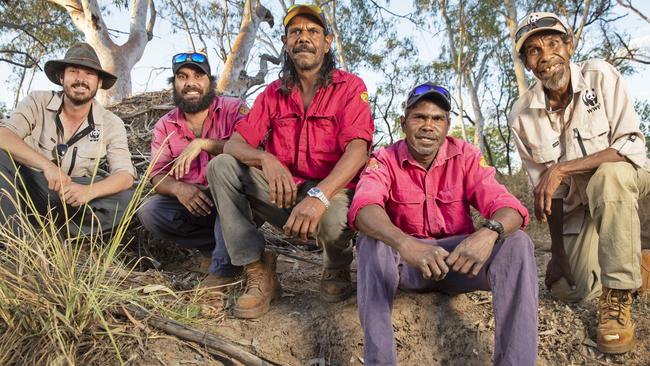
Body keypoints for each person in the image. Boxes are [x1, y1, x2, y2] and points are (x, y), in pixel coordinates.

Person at [350, 83, 538, 365]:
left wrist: (489, 233)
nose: (428, 126)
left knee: (518, 242)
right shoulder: (384, 159)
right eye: (419, 117)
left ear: (447, 125)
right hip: (407, 265)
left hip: (460, 264)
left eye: (437, 119)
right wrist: (405, 243)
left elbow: (509, 208)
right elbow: (364, 208)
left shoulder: (466, 156)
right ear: (404, 123)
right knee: (371, 242)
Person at [207, 4, 374, 318]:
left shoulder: (351, 88)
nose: (303, 38)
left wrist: (319, 196)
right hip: (284, 193)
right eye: (295, 32)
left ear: (326, 43)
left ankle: (336, 266)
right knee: (221, 167)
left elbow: (357, 151)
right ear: (285, 43)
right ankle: (258, 269)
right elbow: (234, 145)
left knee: (335, 213)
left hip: (330, 194)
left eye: (313, 31)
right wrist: (264, 157)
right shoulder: (272, 93)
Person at [509, 11, 650, 354]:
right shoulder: (521, 114)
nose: (545, 57)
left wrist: (562, 168)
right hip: (578, 203)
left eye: (553, 44)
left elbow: (629, 147)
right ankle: (640, 264)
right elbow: (549, 193)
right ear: (527, 64)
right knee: (568, 288)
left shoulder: (600, 75)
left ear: (569, 46)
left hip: (627, 178)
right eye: (533, 51)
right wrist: (557, 252)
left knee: (609, 177)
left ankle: (617, 297)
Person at [0, 43, 135, 236]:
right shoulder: (37, 101)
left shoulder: (111, 123)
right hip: (31, 186)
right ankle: (13, 238)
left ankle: (55, 235)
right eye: (73, 71)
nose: (81, 79)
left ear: (98, 82)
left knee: (126, 199)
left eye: (89, 73)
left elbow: (125, 175)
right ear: (61, 77)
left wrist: (89, 192)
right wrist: (47, 166)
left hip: (75, 196)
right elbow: (3, 135)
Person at [137, 51, 248, 284]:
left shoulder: (234, 109)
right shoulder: (165, 125)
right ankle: (218, 247)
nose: (190, 83)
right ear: (174, 83)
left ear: (210, 82)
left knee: (223, 171)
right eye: (182, 77)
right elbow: (156, 176)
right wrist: (178, 188)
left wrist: (204, 144)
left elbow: (250, 150)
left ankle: (222, 270)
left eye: (199, 75)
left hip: (237, 199)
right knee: (150, 211)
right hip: (198, 204)